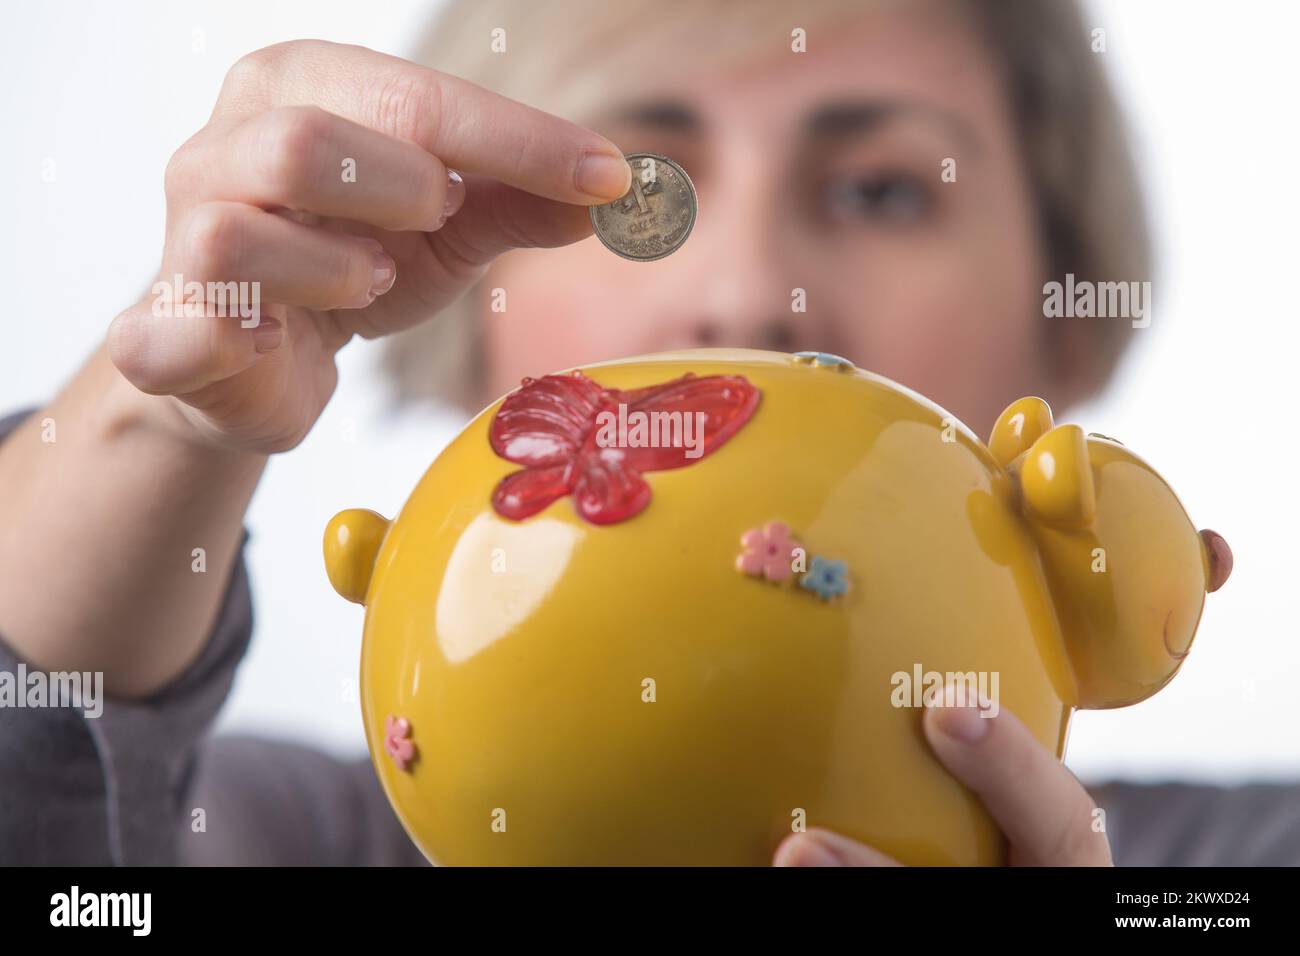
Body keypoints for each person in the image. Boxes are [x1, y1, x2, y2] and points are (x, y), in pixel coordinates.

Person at [0, 0, 1295, 866]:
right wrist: (162, 419)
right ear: (458, 298)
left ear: (1062, 313)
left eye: (886, 189)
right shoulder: (265, 839)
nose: (742, 295)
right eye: (639, 200)